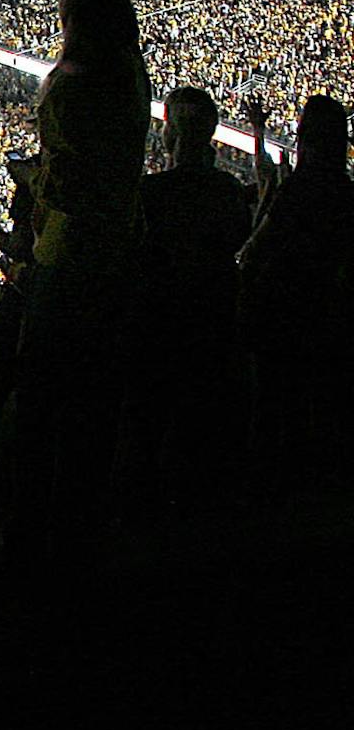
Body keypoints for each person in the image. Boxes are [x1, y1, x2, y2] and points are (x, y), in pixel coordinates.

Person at [9, 0, 152, 566]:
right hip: (119, 257)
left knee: (42, 406)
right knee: (96, 411)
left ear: (77, 16)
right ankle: (85, 537)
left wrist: (28, 182)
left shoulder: (68, 89)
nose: (58, 12)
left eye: (64, 6)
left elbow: (60, 184)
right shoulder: (131, 74)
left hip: (67, 261)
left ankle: (36, 542)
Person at [129, 88, 253, 517]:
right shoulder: (229, 192)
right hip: (214, 337)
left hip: (161, 338)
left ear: (170, 134)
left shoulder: (151, 195)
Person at [238, 93, 354, 496]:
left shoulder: (300, 191)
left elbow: (259, 248)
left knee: (275, 410)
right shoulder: (346, 192)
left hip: (286, 321)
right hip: (330, 326)